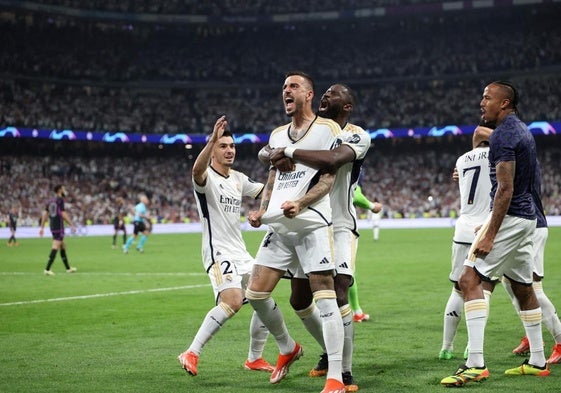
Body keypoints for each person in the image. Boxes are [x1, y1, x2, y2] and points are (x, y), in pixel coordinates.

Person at [441, 81, 550, 387]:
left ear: (504, 103)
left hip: (512, 217)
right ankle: (538, 360)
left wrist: (490, 230)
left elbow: (505, 188)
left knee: (469, 280)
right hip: (528, 218)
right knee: (522, 287)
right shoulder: (521, 130)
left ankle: (476, 363)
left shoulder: (503, 135)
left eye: (487, 98)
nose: (481, 103)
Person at [246, 72, 346, 393]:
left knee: (323, 296)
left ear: (309, 94)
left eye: (293, 87)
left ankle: (336, 377)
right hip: (280, 223)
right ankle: (289, 347)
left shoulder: (327, 129)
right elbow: (273, 179)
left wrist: (301, 203)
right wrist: (262, 209)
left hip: (312, 221)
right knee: (256, 293)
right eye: (283, 88)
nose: (285, 91)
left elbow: (328, 179)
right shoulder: (277, 135)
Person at [177, 116, 273, 376]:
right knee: (231, 302)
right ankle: (192, 352)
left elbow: (265, 191)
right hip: (218, 253)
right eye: (223, 146)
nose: (229, 150)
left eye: (232, 146)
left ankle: (255, 358)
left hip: (241, 253)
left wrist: (280, 172)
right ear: (212, 151)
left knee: (264, 299)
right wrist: (210, 139)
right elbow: (196, 171)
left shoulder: (238, 179)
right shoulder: (205, 177)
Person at [438, 121, 493, 361]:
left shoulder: (461, 160)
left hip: (463, 229)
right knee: (483, 290)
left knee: (458, 289)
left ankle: (446, 347)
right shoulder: (502, 157)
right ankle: (472, 345)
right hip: (488, 228)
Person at [502, 160, 561, 365]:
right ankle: (531, 333)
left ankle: (560, 342)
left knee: (532, 289)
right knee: (511, 285)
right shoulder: (515, 148)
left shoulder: (519, 150)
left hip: (530, 225)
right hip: (518, 225)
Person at [351, 173, 383, 323]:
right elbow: (355, 195)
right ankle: (355, 311)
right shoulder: (354, 167)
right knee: (348, 272)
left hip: (321, 224)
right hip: (342, 227)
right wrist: (372, 206)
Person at [39, 184, 77, 275]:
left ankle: (68, 268)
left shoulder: (50, 201)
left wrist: (42, 227)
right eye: (63, 189)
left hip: (52, 226)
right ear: (60, 190)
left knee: (63, 245)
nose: (64, 190)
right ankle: (47, 269)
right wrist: (72, 225)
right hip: (58, 226)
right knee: (56, 246)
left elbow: (45, 215)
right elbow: (63, 214)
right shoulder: (60, 200)